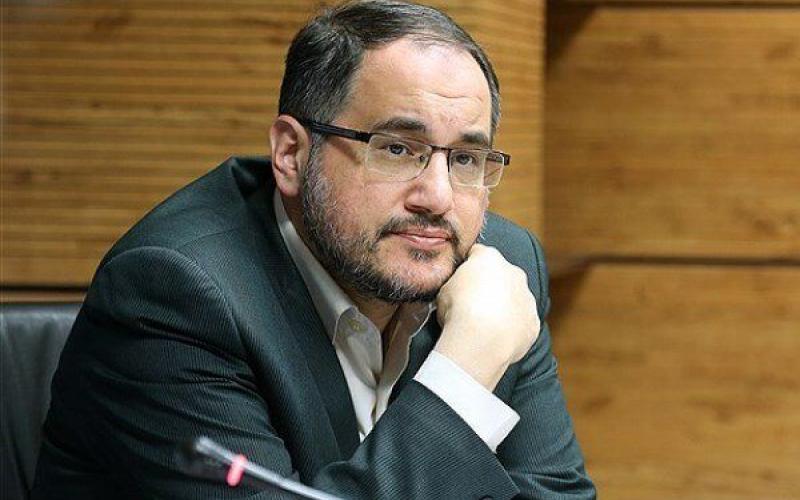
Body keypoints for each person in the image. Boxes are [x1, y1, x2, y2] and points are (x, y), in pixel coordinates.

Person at [32, 1, 595, 498]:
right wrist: (464, 371)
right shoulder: (173, 293)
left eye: (466, 159)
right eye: (397, 149)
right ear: (292, 155)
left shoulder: (498, 267)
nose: (438, 197)